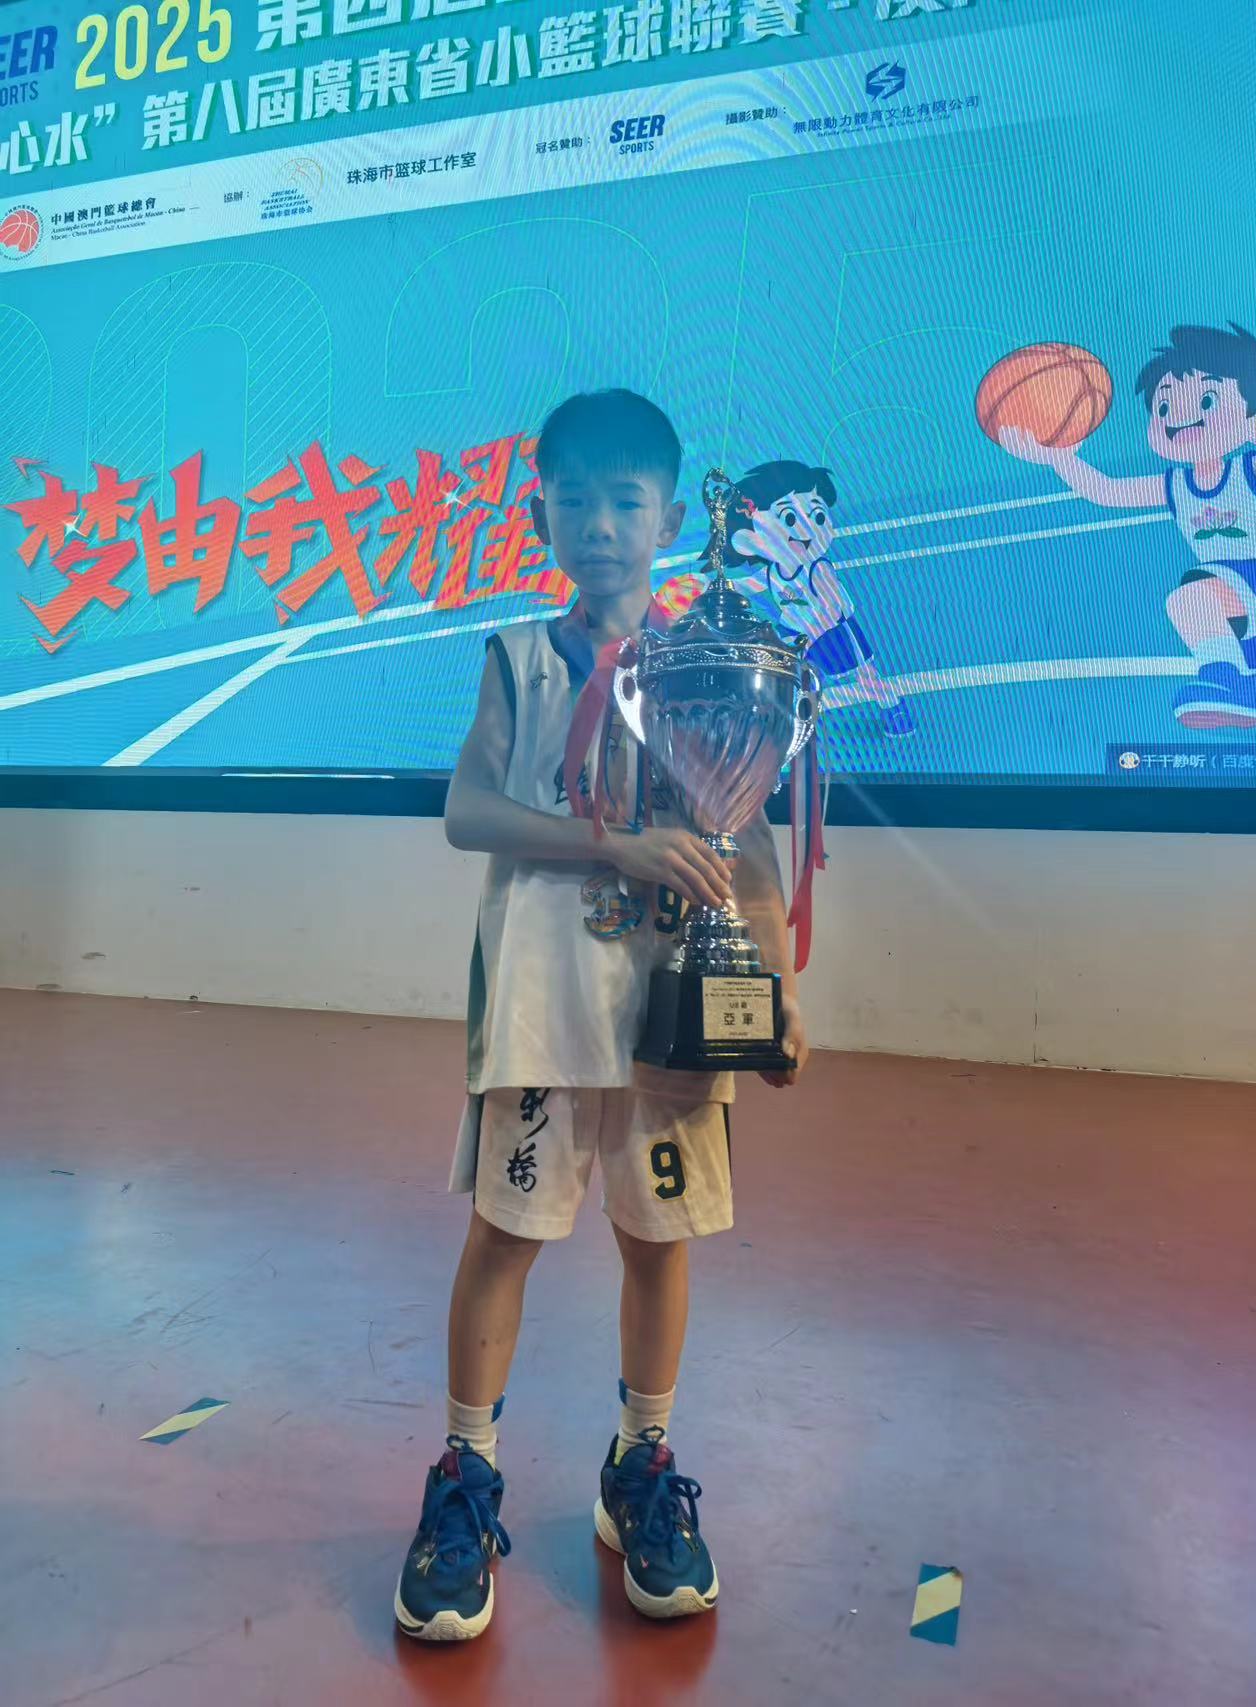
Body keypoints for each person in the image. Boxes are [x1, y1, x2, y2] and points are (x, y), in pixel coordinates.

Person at [393, 389, 809, 1642]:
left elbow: (747, 846)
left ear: (668, 520)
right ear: (541, 517)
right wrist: (611, 844)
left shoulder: (708, 670)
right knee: (503, 1237)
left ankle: (640, 1467)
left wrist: (777, 995)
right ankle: (464, 1477)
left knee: (656, 1242)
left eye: (624, 501)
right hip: (540, 1009)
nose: (598, 524)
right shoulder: (519, 660)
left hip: (668, 1018)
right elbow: (466, 810)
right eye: (571, 500)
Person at [1000, 323, 1256, 730]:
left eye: (1207, 400)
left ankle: (1224, 678)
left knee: (1190, 597)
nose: (1177, 418)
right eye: (1163, 408)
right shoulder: (1176, 486)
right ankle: (1241, 687)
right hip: (1243, 615)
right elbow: (1108, 492)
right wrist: (1057, 456)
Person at [709, 458, 915, 739]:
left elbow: (831, 609)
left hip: (835, 633)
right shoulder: (773, 572)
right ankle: (796, 725)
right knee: (799, 681)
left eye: (817, 517)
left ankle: (895, 709)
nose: (805, 531)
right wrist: (713, 584)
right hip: (800, 634)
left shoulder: (818, 570)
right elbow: (748, 584)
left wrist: (810, 636)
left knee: (867, 680)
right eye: (789, 520)